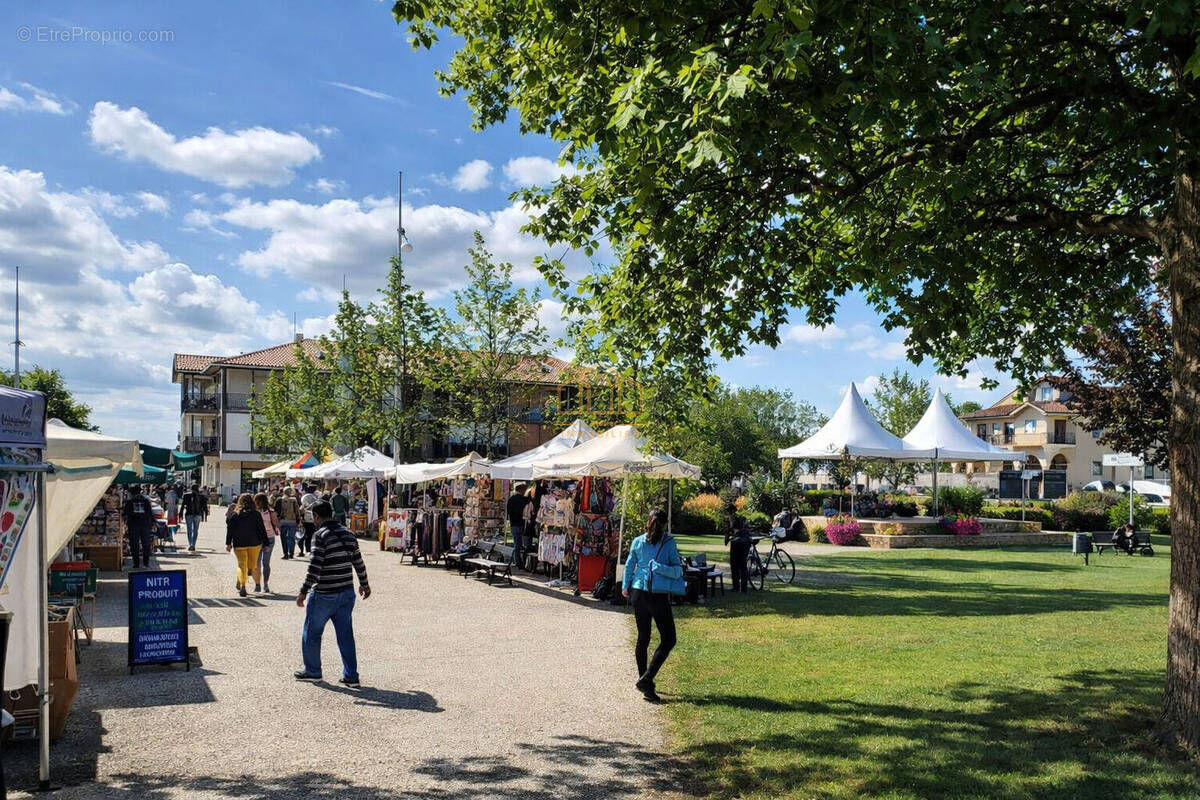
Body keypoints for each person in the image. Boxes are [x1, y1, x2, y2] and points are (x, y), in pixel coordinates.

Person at [294, 501, 371, 687]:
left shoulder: (320, 535)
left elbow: (315, 566)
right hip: (346, 592)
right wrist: (364, 584)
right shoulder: (348, 533)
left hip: (324, 593)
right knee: (345, 635)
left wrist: (303, 590)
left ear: (317, 516)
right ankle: (351, 676)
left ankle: (313, 671)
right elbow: (358, 562)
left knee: (312, 633)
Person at [622, 509, 683, 702]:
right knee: (669, 639)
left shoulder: (638, 541)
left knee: (643, 638)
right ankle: (647, 679)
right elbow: (677, 571)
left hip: (638, 592)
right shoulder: (668, 542)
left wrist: (625, 586)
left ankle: (645, 683)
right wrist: (660, 568)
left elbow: (630, 564)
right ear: (665, 523)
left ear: (648, 521)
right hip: (657, 595)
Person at [226, 493, 268, 597]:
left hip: (239, 543)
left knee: (241, 565)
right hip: (254, 543)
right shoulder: (256, 514)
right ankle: (243, 579)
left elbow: (230, 530)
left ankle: (242, 585)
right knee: (252, 566)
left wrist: (228, 543)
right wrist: (266, 543)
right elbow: (261, 529)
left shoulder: (235, 514)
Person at [123, 485, 157, 569]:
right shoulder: (146, 501)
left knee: (134, 545)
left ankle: (136, 563)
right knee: (146, 544)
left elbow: (126, 512)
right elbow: (150, 513)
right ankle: (146, 563)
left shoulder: (130, 501)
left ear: (132, 493)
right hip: (145, 525)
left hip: (133, 525)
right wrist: (152, 522)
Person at [254, 492, 281, 593]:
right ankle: (261, 584)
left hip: (263, 539)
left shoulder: (267, 512)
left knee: (261, 563)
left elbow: (276, 524)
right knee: (262, 563)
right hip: (265, 538)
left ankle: (262, 584)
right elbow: (277, 524)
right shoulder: (269, 512)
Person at [725, 504, 753, 593]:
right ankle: (743, 588)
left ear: (731, 511)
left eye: (728, 511)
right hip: (746, 542)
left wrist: (726, 539)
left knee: (734, 565)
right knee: (743, 565)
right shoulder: (742, 518)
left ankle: (736, 587)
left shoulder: (732, 517)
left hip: (737, 542)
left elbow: (730, 529)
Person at [180, 483, 208, 552]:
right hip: (198, 514)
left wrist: (180, 513)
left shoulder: (186, 495)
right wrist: (205, 515)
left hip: (188, 514)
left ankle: (190, 544)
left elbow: (183, 505)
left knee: (189, 530)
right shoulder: (201, 496)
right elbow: (204, 506)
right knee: (195, 530)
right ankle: (193, 544)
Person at [506, 484, 529, 567]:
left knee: (517, 544)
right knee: (526, 544)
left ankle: (518, 561)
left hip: (514, 524)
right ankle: (525, 562)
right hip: (523, 523)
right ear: (522, 490)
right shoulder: (525, 499)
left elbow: (508, 512)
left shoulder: (511, 499)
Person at [275, 486, 301, 559]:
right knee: (291, 538)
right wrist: (298, 520)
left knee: (283, 538)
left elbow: (276, 511)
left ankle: (285, 554)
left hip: (283, 521)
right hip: (292, 521)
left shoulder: (279, 500)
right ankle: (291, 553)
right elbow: (297, 511)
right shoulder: (294, 500)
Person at [298, 484, 319, 556]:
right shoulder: (315, 497)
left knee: (302, 535)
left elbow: (301, 509)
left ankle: (302, 550)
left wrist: (301, 518)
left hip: (305, 519)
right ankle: (309, 549)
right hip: (313, 519)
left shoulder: (305, 497)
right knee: (311, 535)